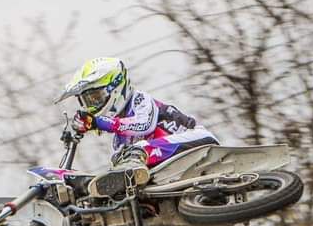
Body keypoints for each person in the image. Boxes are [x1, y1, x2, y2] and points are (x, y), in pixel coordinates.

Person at [56, 57, 218, 198]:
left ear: (115, 87)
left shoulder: (139, 99)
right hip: (175, 172)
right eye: (87, 102)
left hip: (198, 141)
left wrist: (99, 122)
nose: (92, 107)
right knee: (120, 158)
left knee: (136, 151)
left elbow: (144, 125)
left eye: (95, 98)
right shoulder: (120, 138)